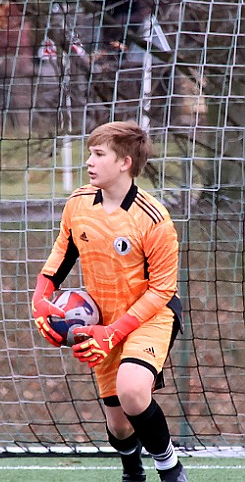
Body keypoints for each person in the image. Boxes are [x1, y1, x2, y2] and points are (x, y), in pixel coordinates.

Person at [32, 121, 187, 482]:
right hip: (101, 319)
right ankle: (133, 472)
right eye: (90, 153)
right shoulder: (79, 203)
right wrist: (40, 297)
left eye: (99, 154)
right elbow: (63, 250)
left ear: (125, 163)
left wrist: (115, 332)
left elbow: (163, 290)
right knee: (118, 424)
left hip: (149, 316)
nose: (90, 161)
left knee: (133, 391)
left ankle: (170, 469)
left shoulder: (154, 220)